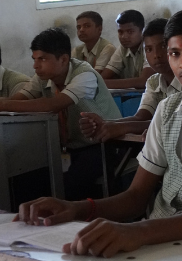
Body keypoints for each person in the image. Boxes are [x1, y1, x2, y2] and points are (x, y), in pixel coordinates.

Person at [17, 9, 182, 256]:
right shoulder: (167, 110)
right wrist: (76, 209)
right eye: (175, 53)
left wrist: (135, 232)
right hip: (154, 238)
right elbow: (136, 197)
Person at [1, 28, 121, 200]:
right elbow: (18, 100)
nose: (35, 66)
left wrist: (4, 103)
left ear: (63, 59)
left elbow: (53, 105)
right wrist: (6, 104)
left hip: (104, 145)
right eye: (34, 59)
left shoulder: (85, 74)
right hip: (70, 148)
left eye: (42, 59)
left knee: (69, 185)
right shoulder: (42, 77)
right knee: (28, 179)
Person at [79, 19, 181, 141]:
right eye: (149, 49)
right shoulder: (154, 82)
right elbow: (140, 117)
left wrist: (122, 127)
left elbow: (178, 124)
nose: (156, 55)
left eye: (163, 47)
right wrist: (104, 124)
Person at [102, 10, 154, 89]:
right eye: (120, 32)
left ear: (142, 31)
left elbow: (145, 81)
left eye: (130, 32)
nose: (124, 37)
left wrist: (101, 84)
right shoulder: (123, 48)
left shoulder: (149, 47)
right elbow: (103, 77)